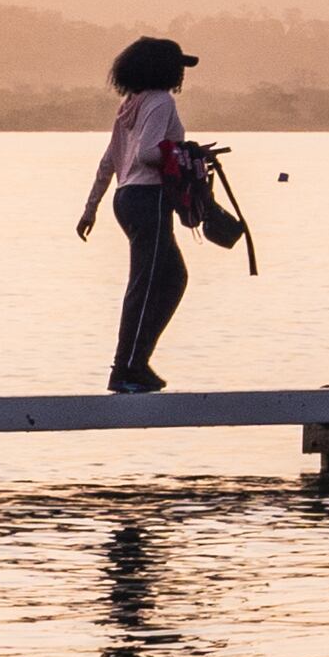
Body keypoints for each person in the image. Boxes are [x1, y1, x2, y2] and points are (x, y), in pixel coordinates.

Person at [75, 35, 206, 393]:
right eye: (179, 66)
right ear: (165, 70)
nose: (182, 74)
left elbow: (109, 161)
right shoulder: (160, 101)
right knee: (146, 285)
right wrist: (186, 152)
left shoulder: (130, 103)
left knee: (172, 278)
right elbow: (149, 153)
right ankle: (126, 369)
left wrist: (91, 208)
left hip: (126, 197)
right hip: (149, 197)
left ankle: (138, 362)